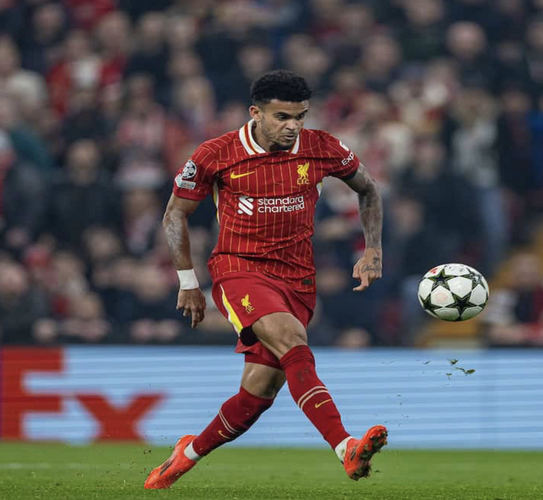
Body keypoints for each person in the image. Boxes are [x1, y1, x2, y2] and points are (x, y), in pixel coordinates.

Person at [144, 70, 387, 489]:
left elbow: (368, 189)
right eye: (282, 117)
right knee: (292, 341)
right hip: (240, 270)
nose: (293, 126)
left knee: (257, 395)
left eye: (300, 116)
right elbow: (175, 214)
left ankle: (186, 454)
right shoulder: (216, 153)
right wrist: (187, 282)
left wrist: (373, 250)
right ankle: (345, 446)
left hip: (298, 279)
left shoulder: (322, 147)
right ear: (255, 113)